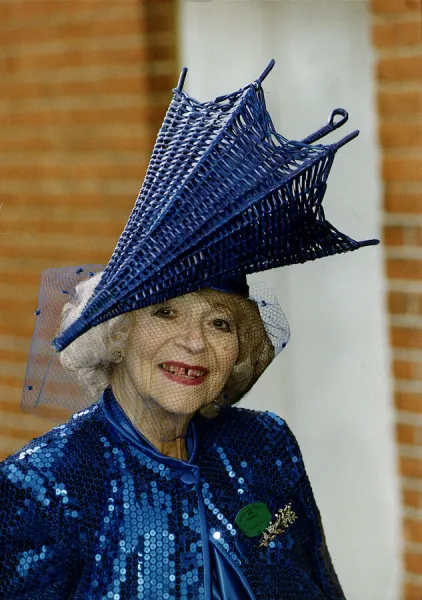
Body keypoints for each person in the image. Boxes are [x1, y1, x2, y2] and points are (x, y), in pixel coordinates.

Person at [0, 60, 378, 599]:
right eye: (166, 313)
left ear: (240, 349)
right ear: (117, 332)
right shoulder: (44, 485)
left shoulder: (265, 445)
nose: (195, 343)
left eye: (220, 323)